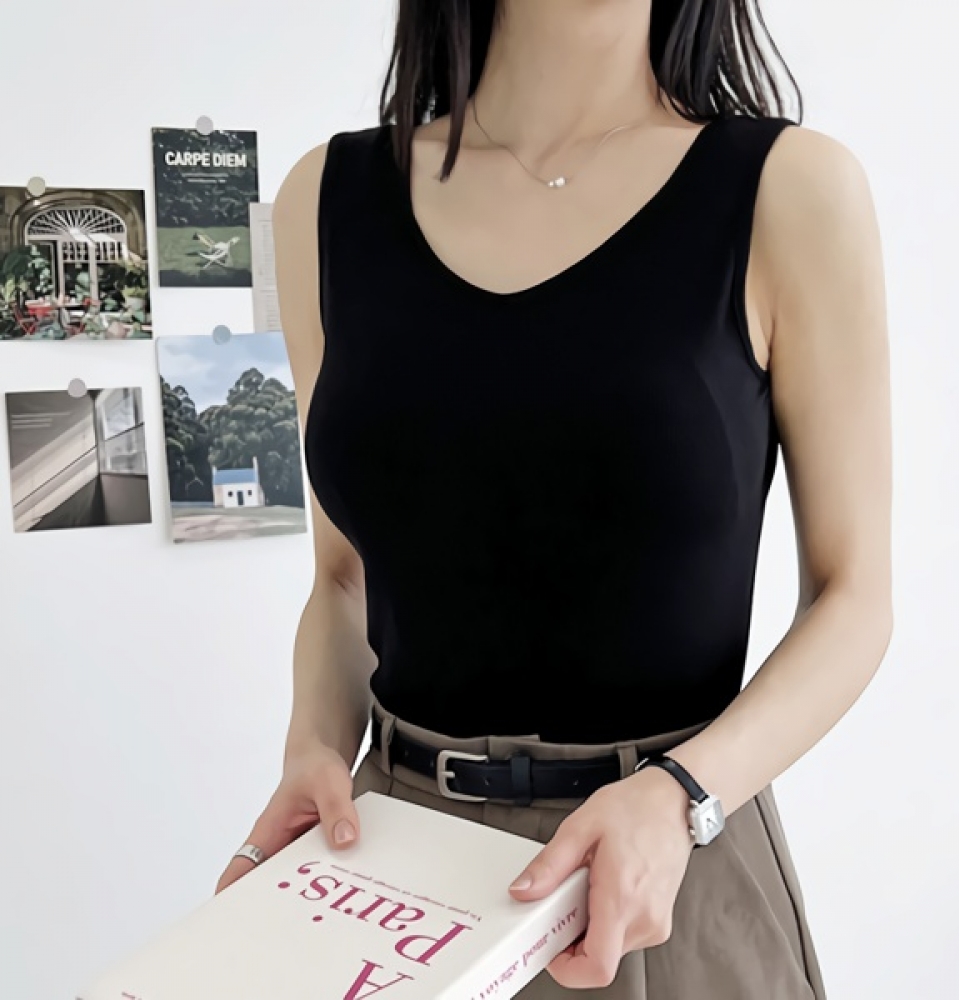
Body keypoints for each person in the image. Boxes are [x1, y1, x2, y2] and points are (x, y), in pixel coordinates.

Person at [216, 1, 892, 996]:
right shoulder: (325, 199)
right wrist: (313, 745)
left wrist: (682, 797)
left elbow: (855, 597)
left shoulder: (790, 190)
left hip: (665, 882)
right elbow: (343, 576)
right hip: (394, 876)